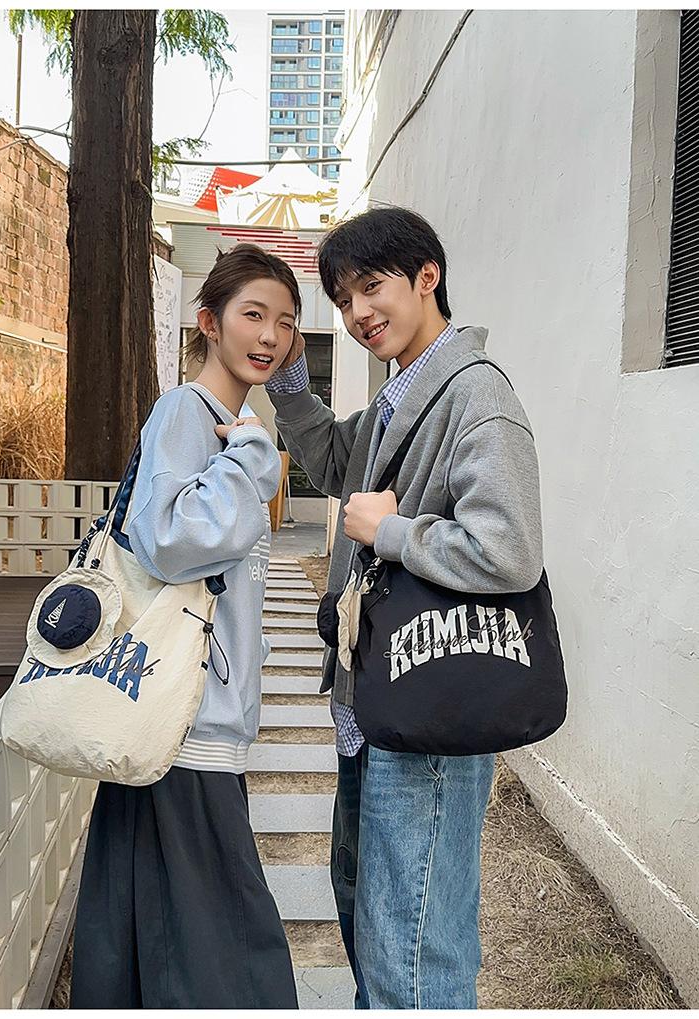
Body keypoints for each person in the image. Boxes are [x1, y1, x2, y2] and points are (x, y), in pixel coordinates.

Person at [265, 206, 544, 1009]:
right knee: (372, 919)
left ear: (428, 277)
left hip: (431, 710)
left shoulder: (476, 395)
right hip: (379, 702)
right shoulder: (404, 394)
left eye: (372, 286)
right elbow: (335, 461)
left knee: (415, 948)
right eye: (344, 298)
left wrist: (392, 531)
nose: (358, 312)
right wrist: (291, 382)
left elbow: (509, 547)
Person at [70, 243, 302, 1009]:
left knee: (156, 928)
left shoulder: (228, 422)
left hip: (177, 714)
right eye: (254, 314)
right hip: (185, 720)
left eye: (286, 322)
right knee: (227, 945)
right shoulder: (188, 414)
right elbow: (167, 539)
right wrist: (252, 461)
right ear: (209, 322)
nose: (270, 336)